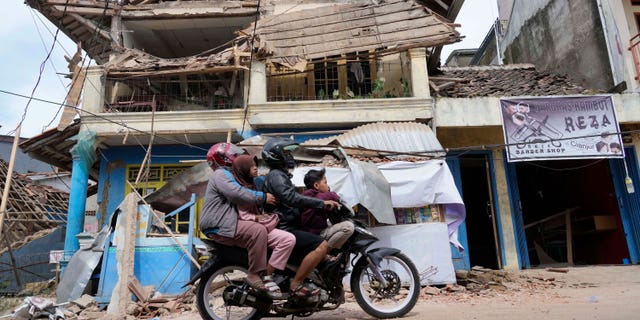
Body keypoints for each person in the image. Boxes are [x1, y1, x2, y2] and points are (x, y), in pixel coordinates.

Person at [199, 142, 281, 299]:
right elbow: (236, 193)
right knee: (257, 231)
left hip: (226, 222)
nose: (237, 157)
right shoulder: (221, 174)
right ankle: (254, 275)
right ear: (224, 158)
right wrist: (262, 197)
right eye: (234, 154)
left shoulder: (230, 175)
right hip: (219, 223)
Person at [261, 138, 339, 298]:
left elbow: (293, 199)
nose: (289, 156)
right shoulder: (276, 176)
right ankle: (296, 284)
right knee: (322, 245)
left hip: (289, 226)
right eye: (286, 152)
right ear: (276, 156)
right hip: (284, 228)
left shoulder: (281, 176)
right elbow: (291, 198)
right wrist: (321, 203)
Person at [231, 154, 296, 288]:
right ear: (243, 169)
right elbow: (240, 214)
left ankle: (267, 275)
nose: (255, 169)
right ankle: (259, 275)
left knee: (288, 239)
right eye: (251, 166)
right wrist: (255, 217)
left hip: (259, 225)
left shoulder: (254, 184)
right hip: (248, 228)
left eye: (256, 166)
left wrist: (262, 215)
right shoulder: (238, 190)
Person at [301, 168, 354, 252]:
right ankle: (324, 253)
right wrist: (333, 196)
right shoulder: (314, 196)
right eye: (325, 183)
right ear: (316, 186)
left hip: (313, 232)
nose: (327, 185)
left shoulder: (307, 196)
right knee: (348, 226)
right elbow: (333, 195)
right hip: (316, 233)